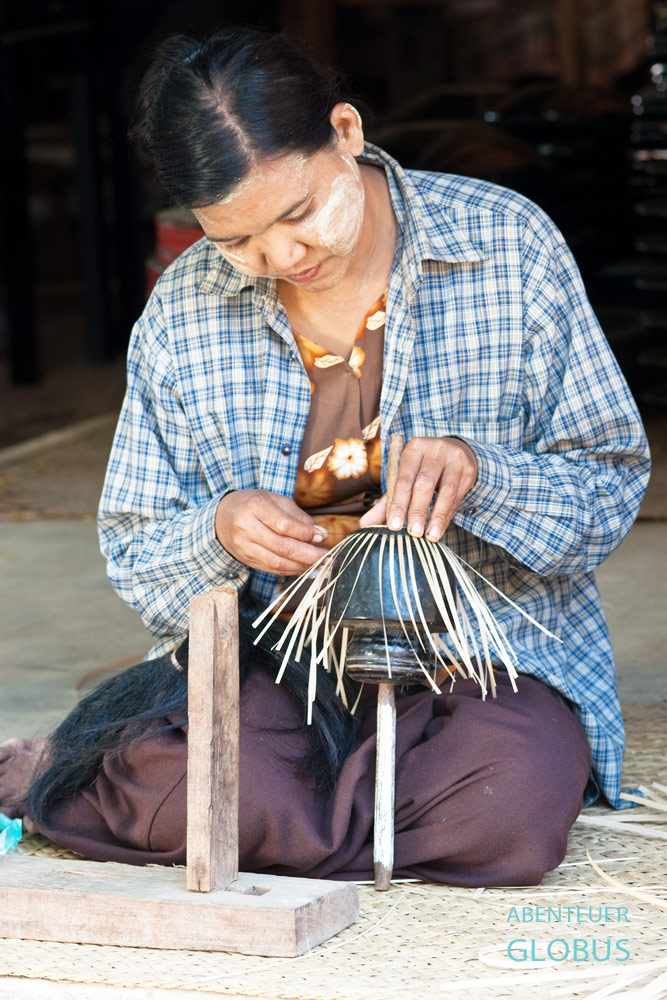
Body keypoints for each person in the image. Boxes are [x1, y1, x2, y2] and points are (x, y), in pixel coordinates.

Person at [0, 28, 650, 886]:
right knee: (216, 777)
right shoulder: (183, 313)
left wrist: (483, 475)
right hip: (285, 671)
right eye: (236, 241)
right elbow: (136, 549)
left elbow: (608, 483)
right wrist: (221, 531)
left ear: (344, 131)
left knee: (510, 808)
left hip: (484, 666)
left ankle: (264, 818)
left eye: (299, 212)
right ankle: (329, 815)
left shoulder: (506, 245)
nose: (282, 258)